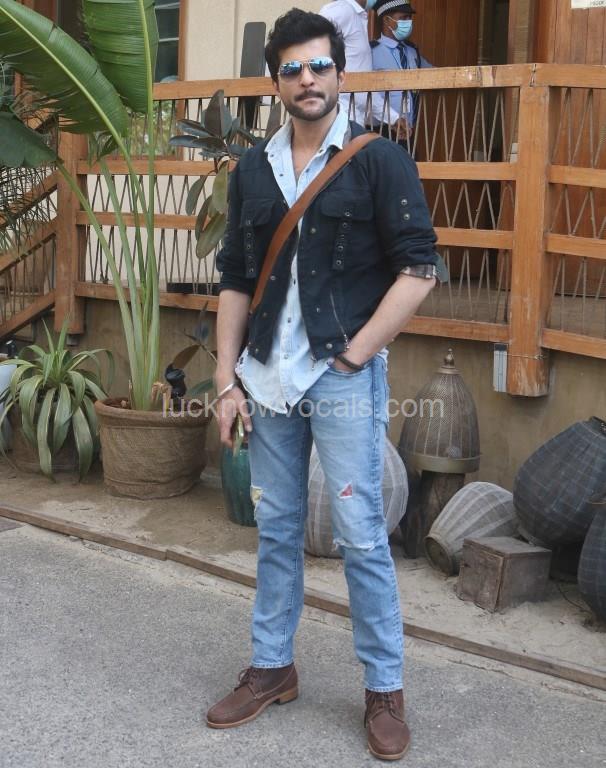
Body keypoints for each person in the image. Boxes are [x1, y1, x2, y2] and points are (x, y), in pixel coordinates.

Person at [207, 8, 445, 761]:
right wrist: (226, 381)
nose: (306, 79)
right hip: (265, 380)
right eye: (292, 69)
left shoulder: (379, 160)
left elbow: (419, 269)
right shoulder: (253, 170)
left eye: (319, 66)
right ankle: (272, 667)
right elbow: (236, 279)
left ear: (340, 74)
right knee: (276, 527)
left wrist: (354, 357)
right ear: (275, 81)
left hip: (341, 376)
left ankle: (384, 689)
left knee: (361, 535)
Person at [319, 0, 408, 135]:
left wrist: (393, 118)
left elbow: (365, 88)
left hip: (353, 120)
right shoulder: (341, 10)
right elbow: (312, 47)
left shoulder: (357, 15)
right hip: (337, 119)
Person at [371, 0, 432, 140]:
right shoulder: (371, 52)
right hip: (382, 130)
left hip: (408, 130)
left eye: (409, 17)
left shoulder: (411, 51)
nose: (408, 22)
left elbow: (433, 73)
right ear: (387, 20)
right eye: (403, 18)